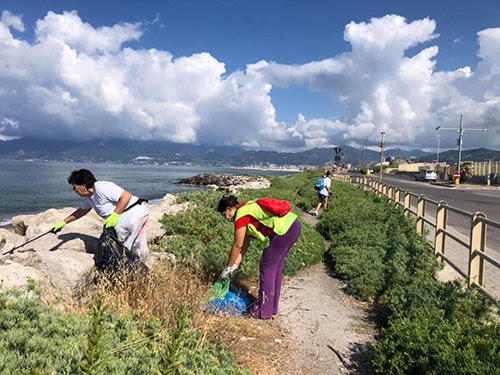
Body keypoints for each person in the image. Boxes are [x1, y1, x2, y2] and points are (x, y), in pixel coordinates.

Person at [217, 195, 301, 319]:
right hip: (293, 226)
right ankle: (272, 308)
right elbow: (244, 245)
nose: (226, 218)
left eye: (225, 215)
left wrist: (227, 268)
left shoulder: (241, 217)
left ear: (229, 209)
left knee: (266, 268)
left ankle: (263, 311)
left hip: (283, 232)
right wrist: (234, 266)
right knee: (275, 268)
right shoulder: (245, 208)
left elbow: (237, 245)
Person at [51, 169, 152, 269]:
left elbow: (126, 196)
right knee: (137, 246)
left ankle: (135, 272)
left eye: (74, 186)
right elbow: (82, 211)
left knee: (126, 246)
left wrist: (115, 215)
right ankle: (144, 271)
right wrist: (63, 223)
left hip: (133, 215)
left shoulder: (101, 187)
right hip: (131, 217)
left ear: (83, 185)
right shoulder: (89, 197)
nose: (74, 190)